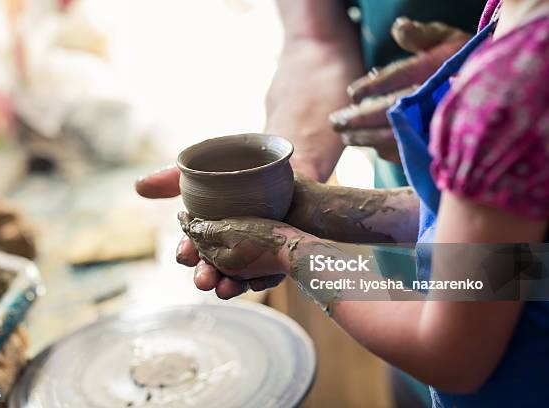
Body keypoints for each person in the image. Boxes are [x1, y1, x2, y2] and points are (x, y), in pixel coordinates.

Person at [173, 0, 549, 406]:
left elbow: (452, 354)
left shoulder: (514, 83)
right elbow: (516, 260)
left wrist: (290, 250)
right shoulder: (513, 25)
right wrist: (325, 207)